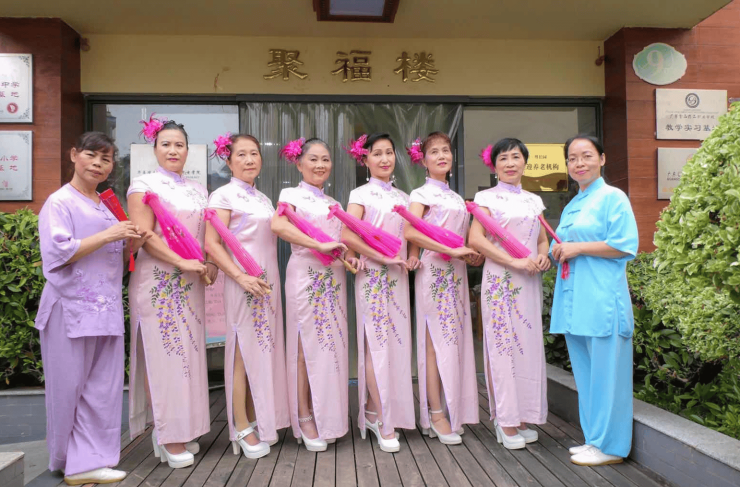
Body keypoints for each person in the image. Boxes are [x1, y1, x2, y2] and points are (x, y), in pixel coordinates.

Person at [36, 132, 150, 485]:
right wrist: (109, 235)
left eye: (106, 158)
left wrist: (131, 245)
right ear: (74, 155)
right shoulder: (59, 202)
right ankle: (68, 460)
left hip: (106, 309)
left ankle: (91, 460)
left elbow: (116, 260)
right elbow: (56, 253)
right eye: (91, 155)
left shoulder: (106, 204)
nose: (98, 164)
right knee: (67, 388)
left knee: (103, 389)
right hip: (69, 309)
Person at [127, 118, 217, 468]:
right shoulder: (143, 185)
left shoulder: (199, 190)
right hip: (158, 281)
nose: (173, 150)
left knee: (187, 357)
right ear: (154, 149)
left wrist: (209, 262)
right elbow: (144, 235)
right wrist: (182, 262)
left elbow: (207, 233)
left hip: (191, 281)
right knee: (163, 356)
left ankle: (184, 427)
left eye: (179, 144)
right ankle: (166, 434)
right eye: (166, 144)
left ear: (188, 150)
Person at [550, 135, 638, 466]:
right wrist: (557, 249)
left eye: (586, 156)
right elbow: (563, 244)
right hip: (575, 302)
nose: (579, 163)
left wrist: (577, 247)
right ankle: (594, 440)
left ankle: (611, 447)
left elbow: (624, 244)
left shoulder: (613, 197)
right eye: (572, 158)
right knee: (587, 376)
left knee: (608, 377)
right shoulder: (573, 204)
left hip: (602, 300)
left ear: (602, 159)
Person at [271, 137, 359, 451]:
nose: (320, 165)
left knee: (330, 349)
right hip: (305, 276)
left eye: (325, 159)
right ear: (299, 163)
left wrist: (350, 257)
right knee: (304, 347)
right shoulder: (290, 195)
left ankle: (329, 418)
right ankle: (304, 415)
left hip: (333, 280)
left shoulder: (334, 203)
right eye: (313, 159)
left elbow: (341, 243)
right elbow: (279, 226)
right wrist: (318, 245)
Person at [205, 134, 289, 459]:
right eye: (241, 154)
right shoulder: (223, 195)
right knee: (241, 353)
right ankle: (240, 426)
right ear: (228, 161)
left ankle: (256, 419)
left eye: (254, 153)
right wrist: (239, 276)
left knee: (262, 352)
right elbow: (212, 244)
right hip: (242, 283)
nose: (250, 159)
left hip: (266, 282)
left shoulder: (263, 199)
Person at [468, 138, 550, 450]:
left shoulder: (533, 201)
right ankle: (505, 420)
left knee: (527, 347)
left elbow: (541, 239)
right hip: (501, 281)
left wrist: (543, 256)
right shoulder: (485, 198)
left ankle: (523, 416)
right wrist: (513, 261)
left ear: (525, 163)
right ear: (495, 166)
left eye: (516, 157)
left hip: (528, 281)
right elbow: (476, 239)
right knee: (503, 349)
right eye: (503, 158)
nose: (510, 163)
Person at [342, 133, 418, 453]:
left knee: (396, 347)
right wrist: (379, 256)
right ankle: (383, 418)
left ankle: (374, 411)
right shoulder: (359, 194)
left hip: (398, 275)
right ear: (365, 159)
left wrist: (412, 254)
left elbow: (411, 233)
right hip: (373, 275)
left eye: (389, 152)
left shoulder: (404, 196)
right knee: (375, 346)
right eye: (377, 153)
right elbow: (347, 234)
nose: (385, 159)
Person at [404, 131, 481, 445]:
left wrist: (470, 254)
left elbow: (464, 238)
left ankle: (449, 409)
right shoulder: (420, 193)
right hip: (434, 272)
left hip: (457, 273)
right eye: (434, 151)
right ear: (423, 161)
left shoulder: (456, 198)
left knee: (453, 342)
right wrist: (450, 249)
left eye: (446, 150)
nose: (441, 156)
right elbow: (410, 231)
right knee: (433, 344)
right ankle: (435, 414)